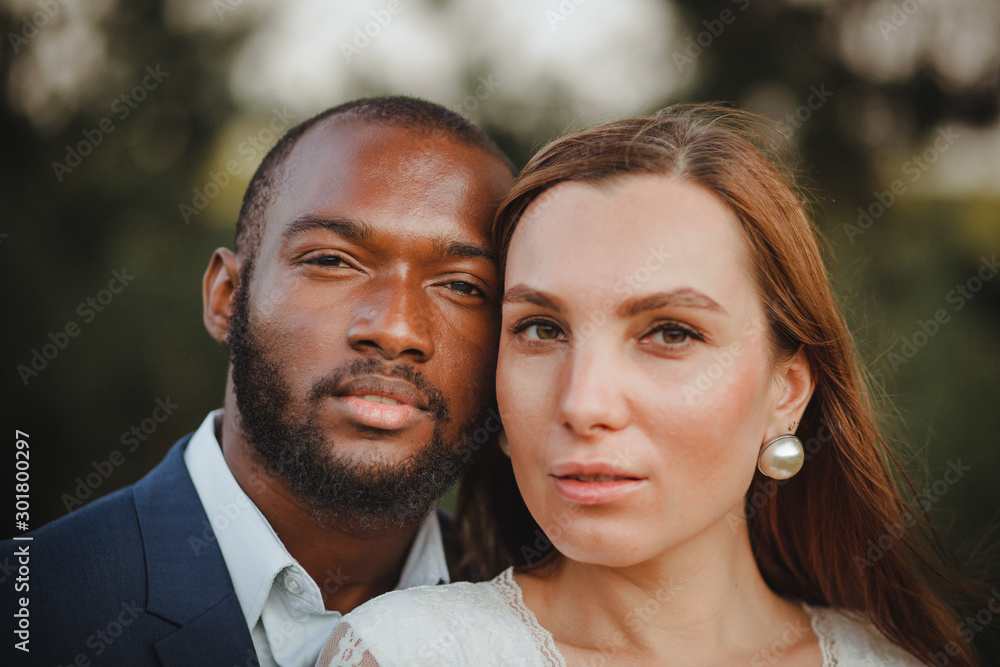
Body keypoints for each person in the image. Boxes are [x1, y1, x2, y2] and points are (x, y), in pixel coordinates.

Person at [317, 105, 988, 666]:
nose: (582, 403)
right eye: (542, 328)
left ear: (786, 392)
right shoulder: (406, 653)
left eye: (670, 333)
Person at [0, 96, 514, 667]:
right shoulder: (30, 612)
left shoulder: (546, 623)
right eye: (333, 260)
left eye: (464, 286)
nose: (395, 329)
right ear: (226, 298)